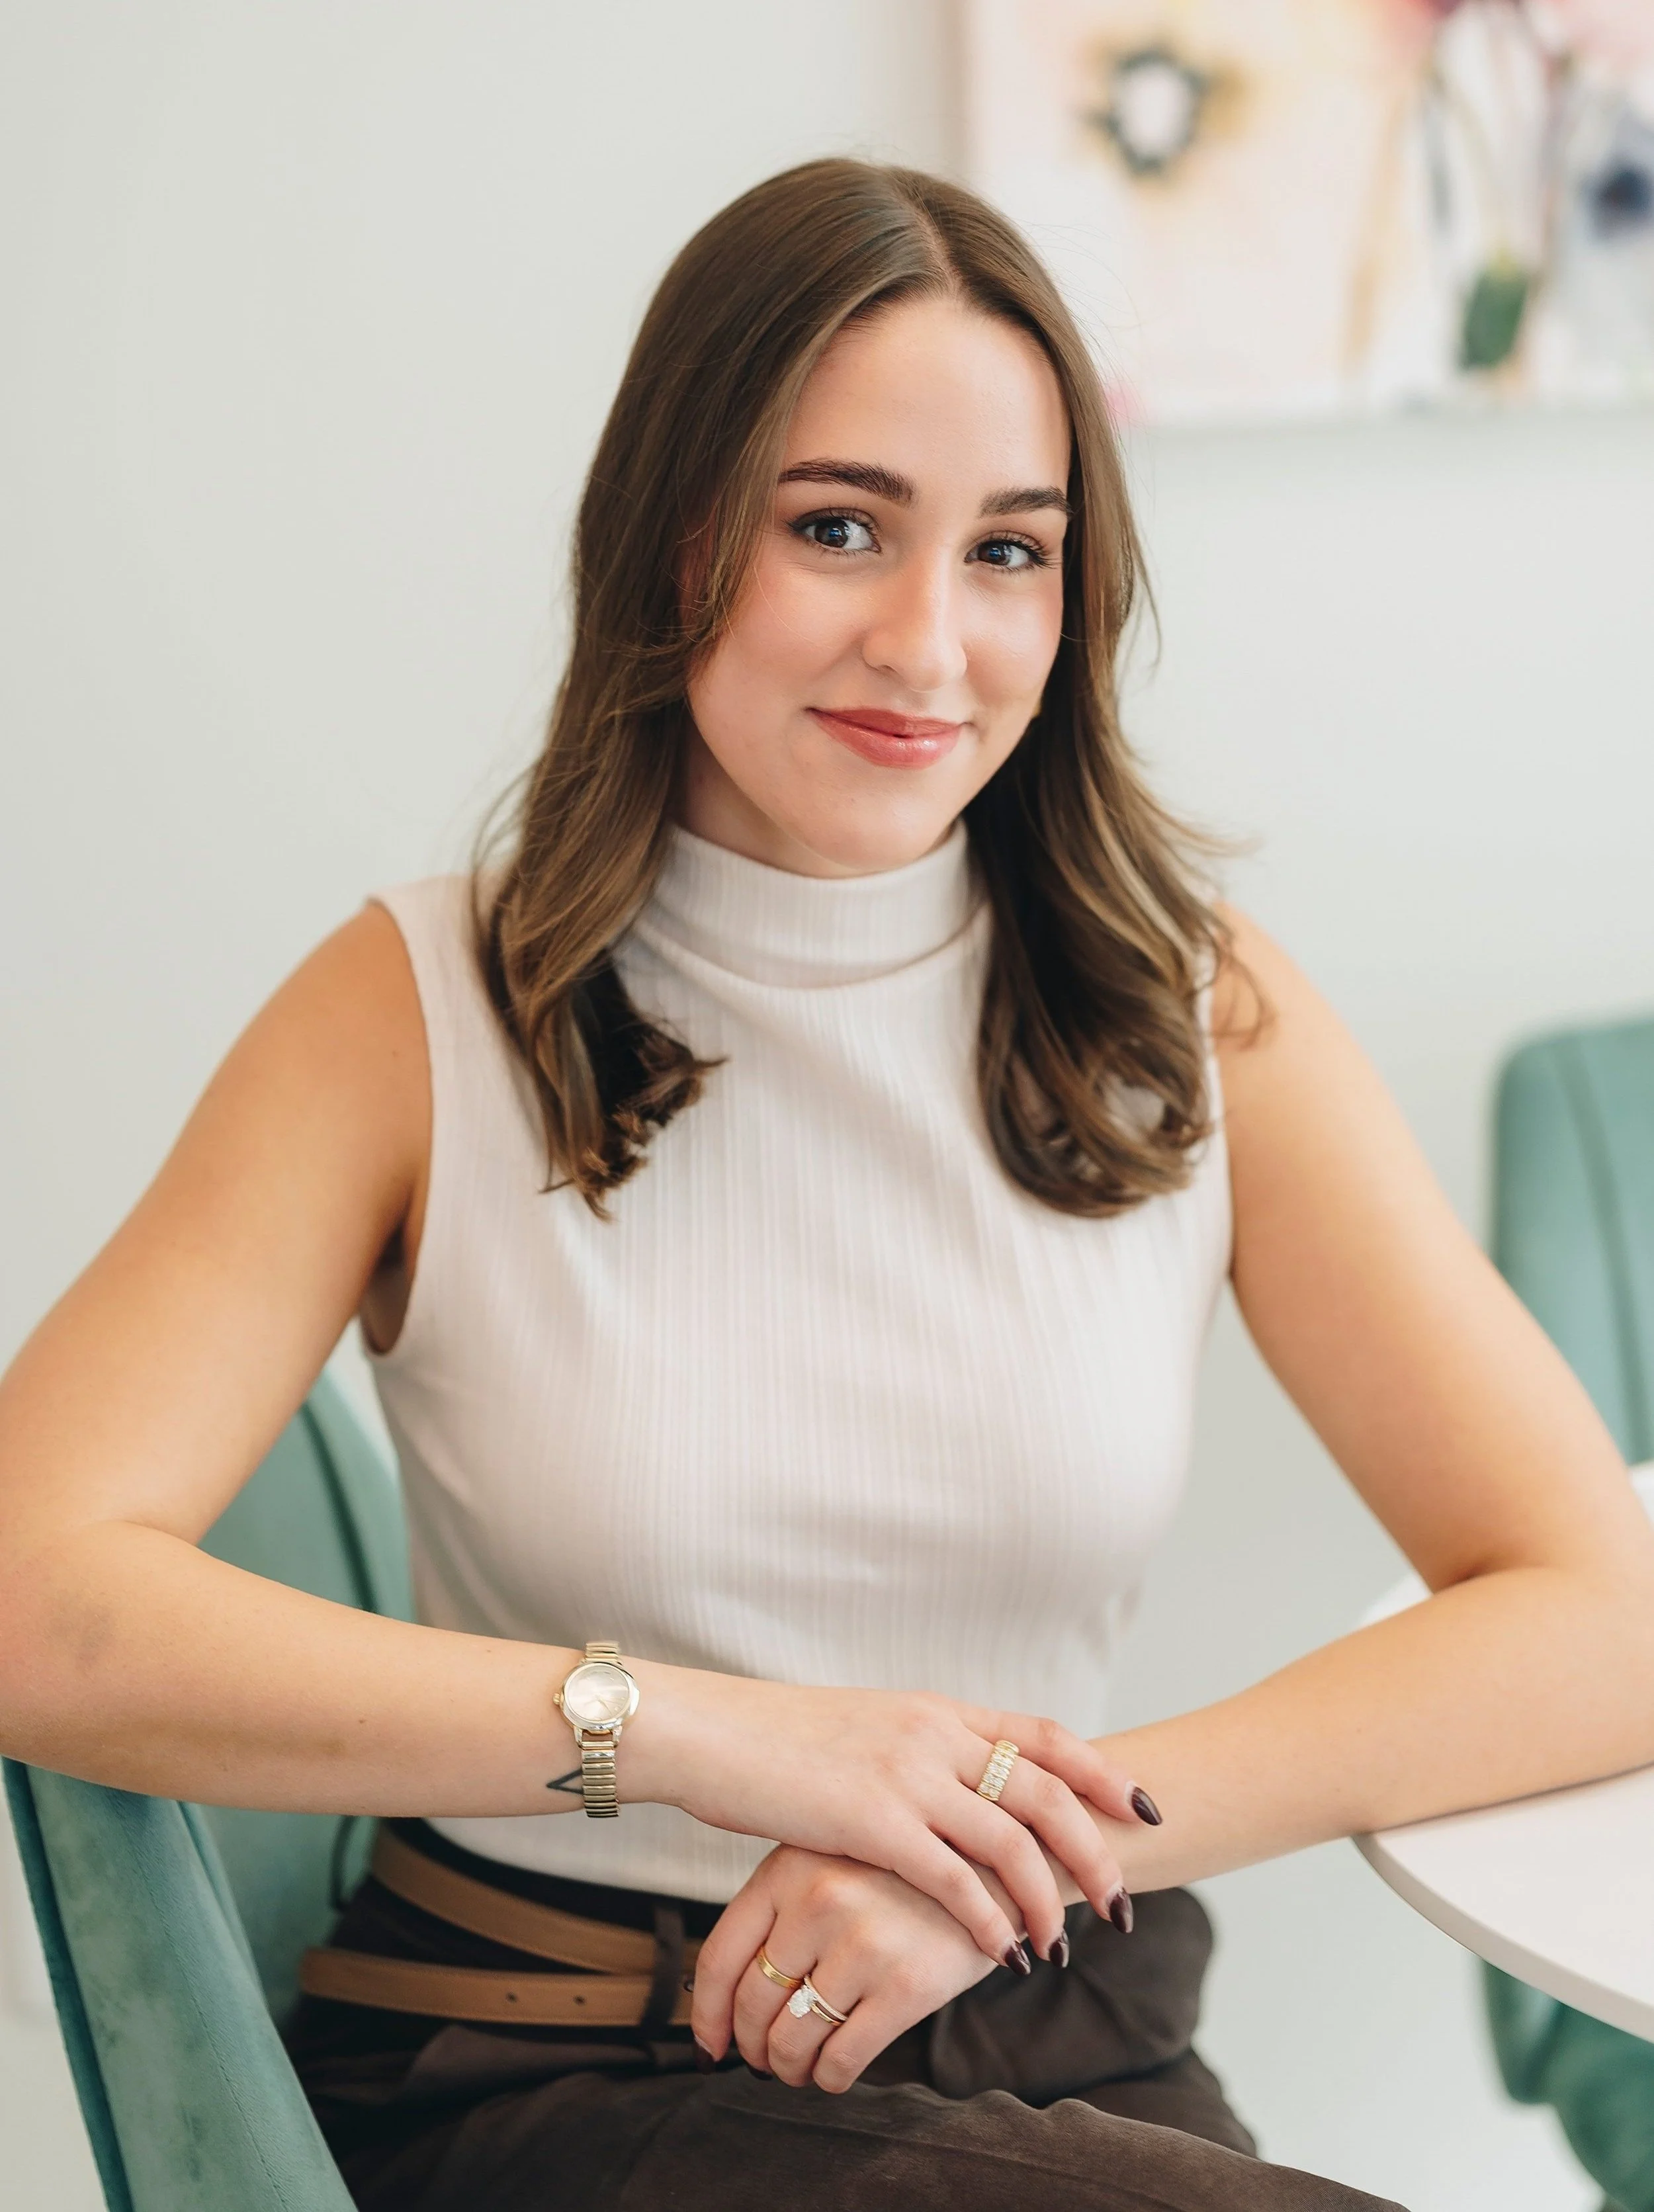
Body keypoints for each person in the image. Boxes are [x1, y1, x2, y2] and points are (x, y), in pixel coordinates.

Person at [1, 157, 1650, 2212]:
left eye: (1011, 551)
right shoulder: (417, 1007)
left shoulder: (1180, 1011)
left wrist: (1041, 1849)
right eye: (838, 526)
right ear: (676, 539)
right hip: (559, 2059)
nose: (929, 643)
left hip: (1061, 2015)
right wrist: (708, 1737)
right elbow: (33, 1596)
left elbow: (1604, 1611)